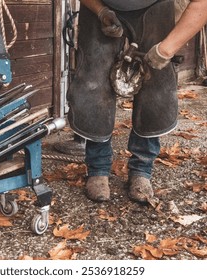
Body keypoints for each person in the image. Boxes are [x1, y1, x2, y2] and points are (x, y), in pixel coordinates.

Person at [67, 0, 180, 203]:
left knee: (156, 84)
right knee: (94, 80)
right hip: (101, 3)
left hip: (157, 4)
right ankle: (98, 169)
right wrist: (100, 11)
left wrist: (168, 48)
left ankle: (142, 169)